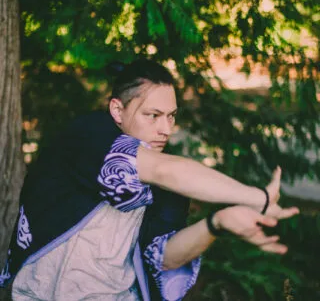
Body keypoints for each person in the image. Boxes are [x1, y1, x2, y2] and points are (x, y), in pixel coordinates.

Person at [0, 59, 299, 300]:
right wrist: (257, 197)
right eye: (153, 115)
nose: (166, 129)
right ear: (117, 109)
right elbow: (158, 169)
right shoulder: (90, 135)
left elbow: (164, 257)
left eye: (171, 116)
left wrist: (216, 223)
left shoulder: (170, 181)